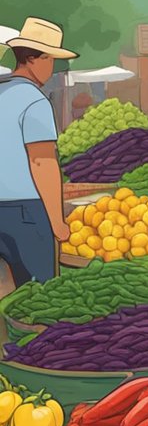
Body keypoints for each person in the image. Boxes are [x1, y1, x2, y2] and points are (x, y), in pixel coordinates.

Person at [0, 17, 75, 287]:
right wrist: (57, 222)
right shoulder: (34, 100)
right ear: (35, 59)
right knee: (37, 294)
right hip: (25, 213)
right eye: (50, 59)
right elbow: (42, 162)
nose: (51, 68)